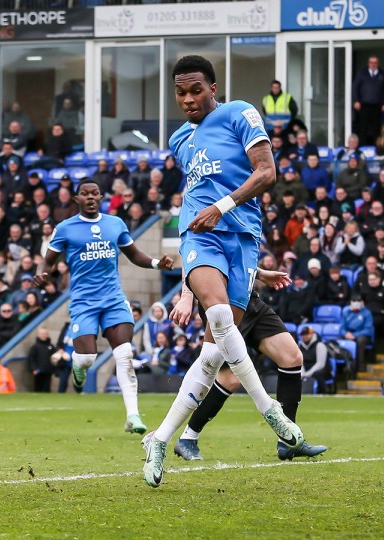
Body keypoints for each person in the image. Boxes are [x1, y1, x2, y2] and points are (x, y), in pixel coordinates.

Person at [143, 57, 306, 488]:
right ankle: (270, 410)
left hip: (243, 237)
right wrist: (183, 289)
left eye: (195, 90)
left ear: (213, 87)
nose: (188, 99)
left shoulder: (239, 113)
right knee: (216, 314)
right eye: (180, 92)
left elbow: (266, 172)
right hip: (200, 234)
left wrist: (224, 208)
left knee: (215, 353)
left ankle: (161, 438)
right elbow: (197, 197)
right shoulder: (180, 140)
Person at [34, 177, 172, 424]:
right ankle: (79, 367)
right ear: (76, 199)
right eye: (84, 193)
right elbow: (48, 259)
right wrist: (41, 272)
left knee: (124, 353)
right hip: (83, 301)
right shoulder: (65, 228)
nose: (90, 197)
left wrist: (155, 263)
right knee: (87, 358)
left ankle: (133, 415)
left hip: (113, 299)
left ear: (100, 197)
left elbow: (133, 255)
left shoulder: (115, 224)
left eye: (94, 193)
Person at [352, 56, 384, 145]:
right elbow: (355, 88)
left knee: (376, 128)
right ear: (368, 63)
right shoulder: (361, 74)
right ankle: (362, 147)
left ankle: (376, 146)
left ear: (378, 64)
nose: (373, 64)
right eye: (371, 62)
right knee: (363, 128)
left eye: (375, 63)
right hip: (364, 105)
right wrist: (356, 101)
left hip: (377, 106)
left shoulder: (383, 74)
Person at [28, 327, 56, 393]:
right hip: (38, 371)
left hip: (48, 370)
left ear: (47, 335)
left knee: (47, 388)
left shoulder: (51, 346)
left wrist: (54, 368)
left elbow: (54, 358)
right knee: (38, 388)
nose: (43, 335)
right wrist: (34, 368)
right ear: (38, 335)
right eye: (41, 334)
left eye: (45, 334)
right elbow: (31, 358)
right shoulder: (35, 346)